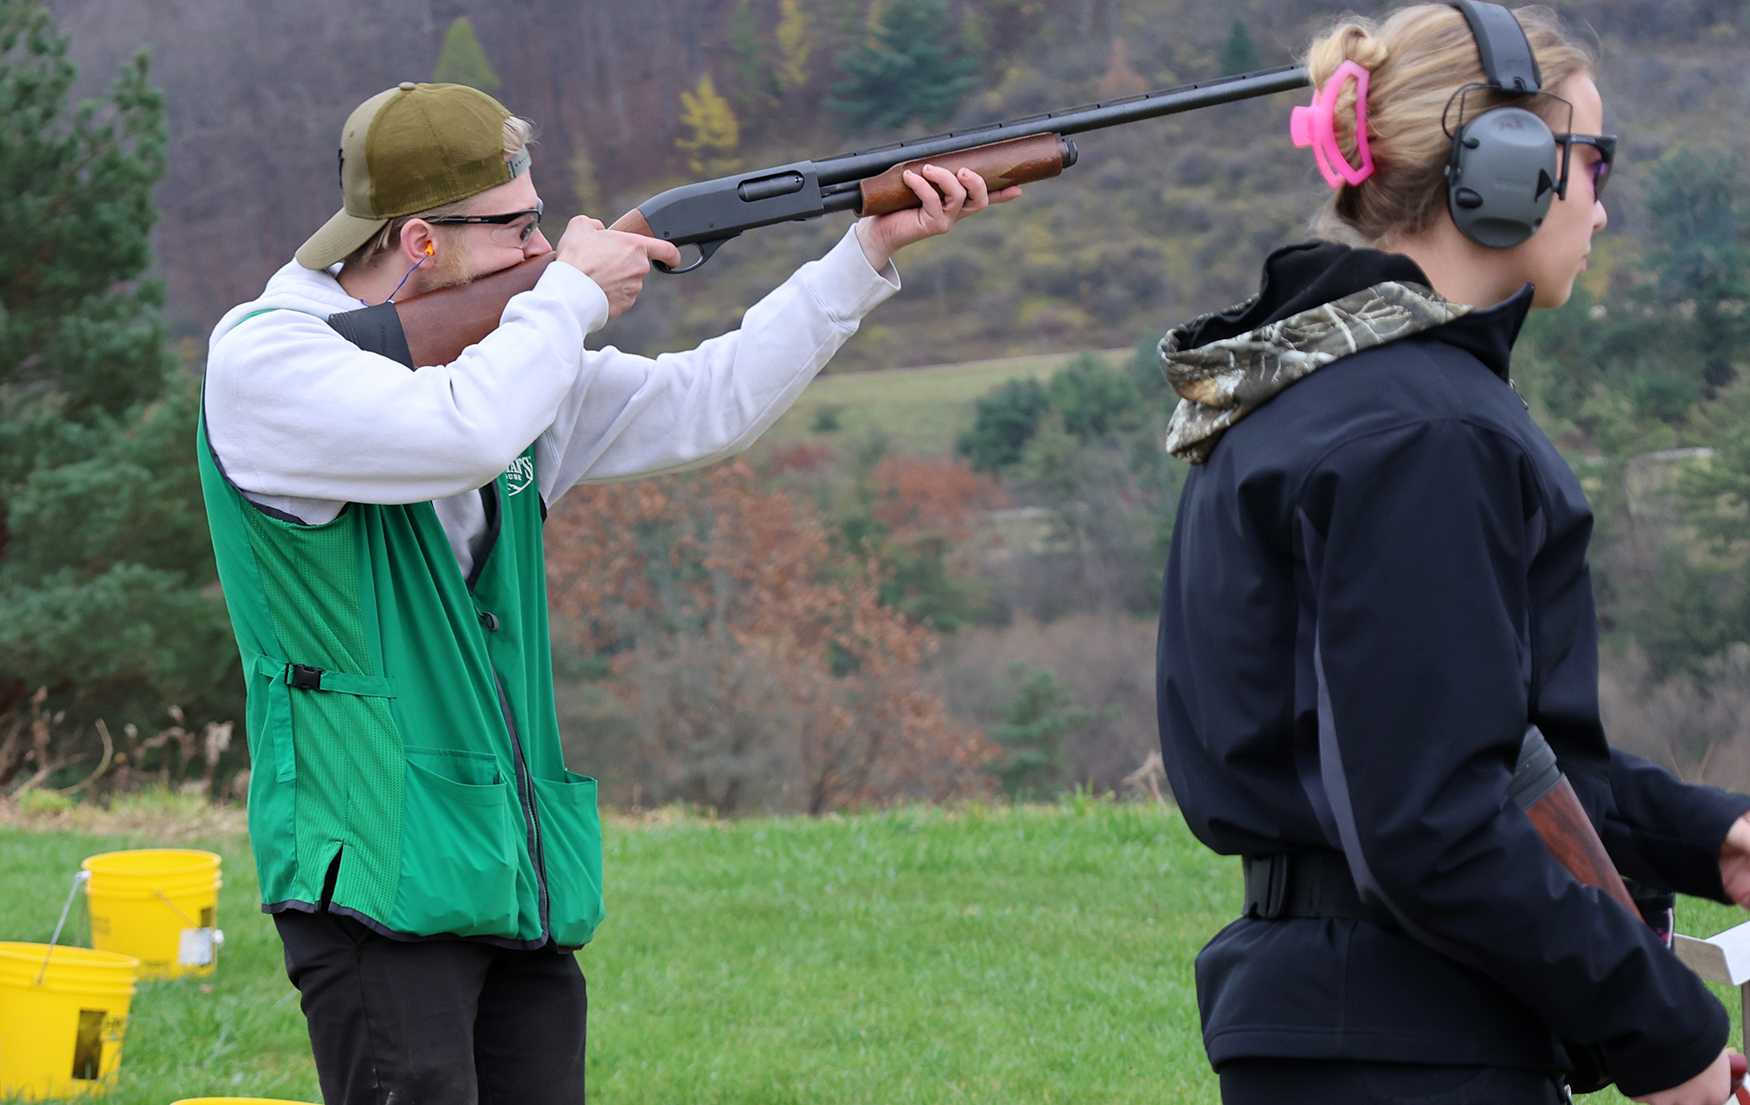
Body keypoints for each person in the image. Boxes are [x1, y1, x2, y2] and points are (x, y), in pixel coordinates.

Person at [196, 81, 1018, 1105]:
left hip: (509, 866)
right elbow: (460, 430)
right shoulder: (267, 358)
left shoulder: (507, 357)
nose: (542, 249)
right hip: (375, 865)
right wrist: (569, 300)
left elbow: (709, 402)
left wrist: (863, 258)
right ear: (417, 242)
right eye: (515, 226)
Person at [1154, 5, 1750, 1104]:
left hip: (1355, 1030)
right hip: (1410, 1048)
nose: (1602, 206)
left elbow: (1480, 765)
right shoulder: (1425, 433)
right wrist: (1662, 1036)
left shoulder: (1304, 396)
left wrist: (1708, 837)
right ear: (1503, 166)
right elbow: (1433, 821)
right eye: (1592, 160)